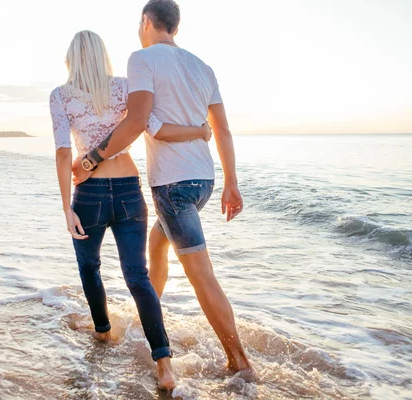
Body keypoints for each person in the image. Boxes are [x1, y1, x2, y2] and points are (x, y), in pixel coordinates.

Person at [71, 0, 255, 375]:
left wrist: (90, 159)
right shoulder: (203, 67)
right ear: (176, 26)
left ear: (146, 22)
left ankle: (239, 361)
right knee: (158, 243)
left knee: (200, 274)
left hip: (172, 185)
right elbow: (221, 129)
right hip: (203, 181)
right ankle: (146, 317)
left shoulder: (143, 58)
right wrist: (231, 184)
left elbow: (138, 121)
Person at [50, 30, 212, 390]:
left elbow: (63, 153)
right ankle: (165, 367)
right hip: (128, 189)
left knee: (89, 266)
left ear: (70, 59)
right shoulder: (124, 88)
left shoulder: (61, 96)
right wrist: (200, 131)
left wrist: (66, 208)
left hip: (89, 194)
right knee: (138, 277)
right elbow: (153, 128)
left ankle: (103, 333)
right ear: (103, 56)